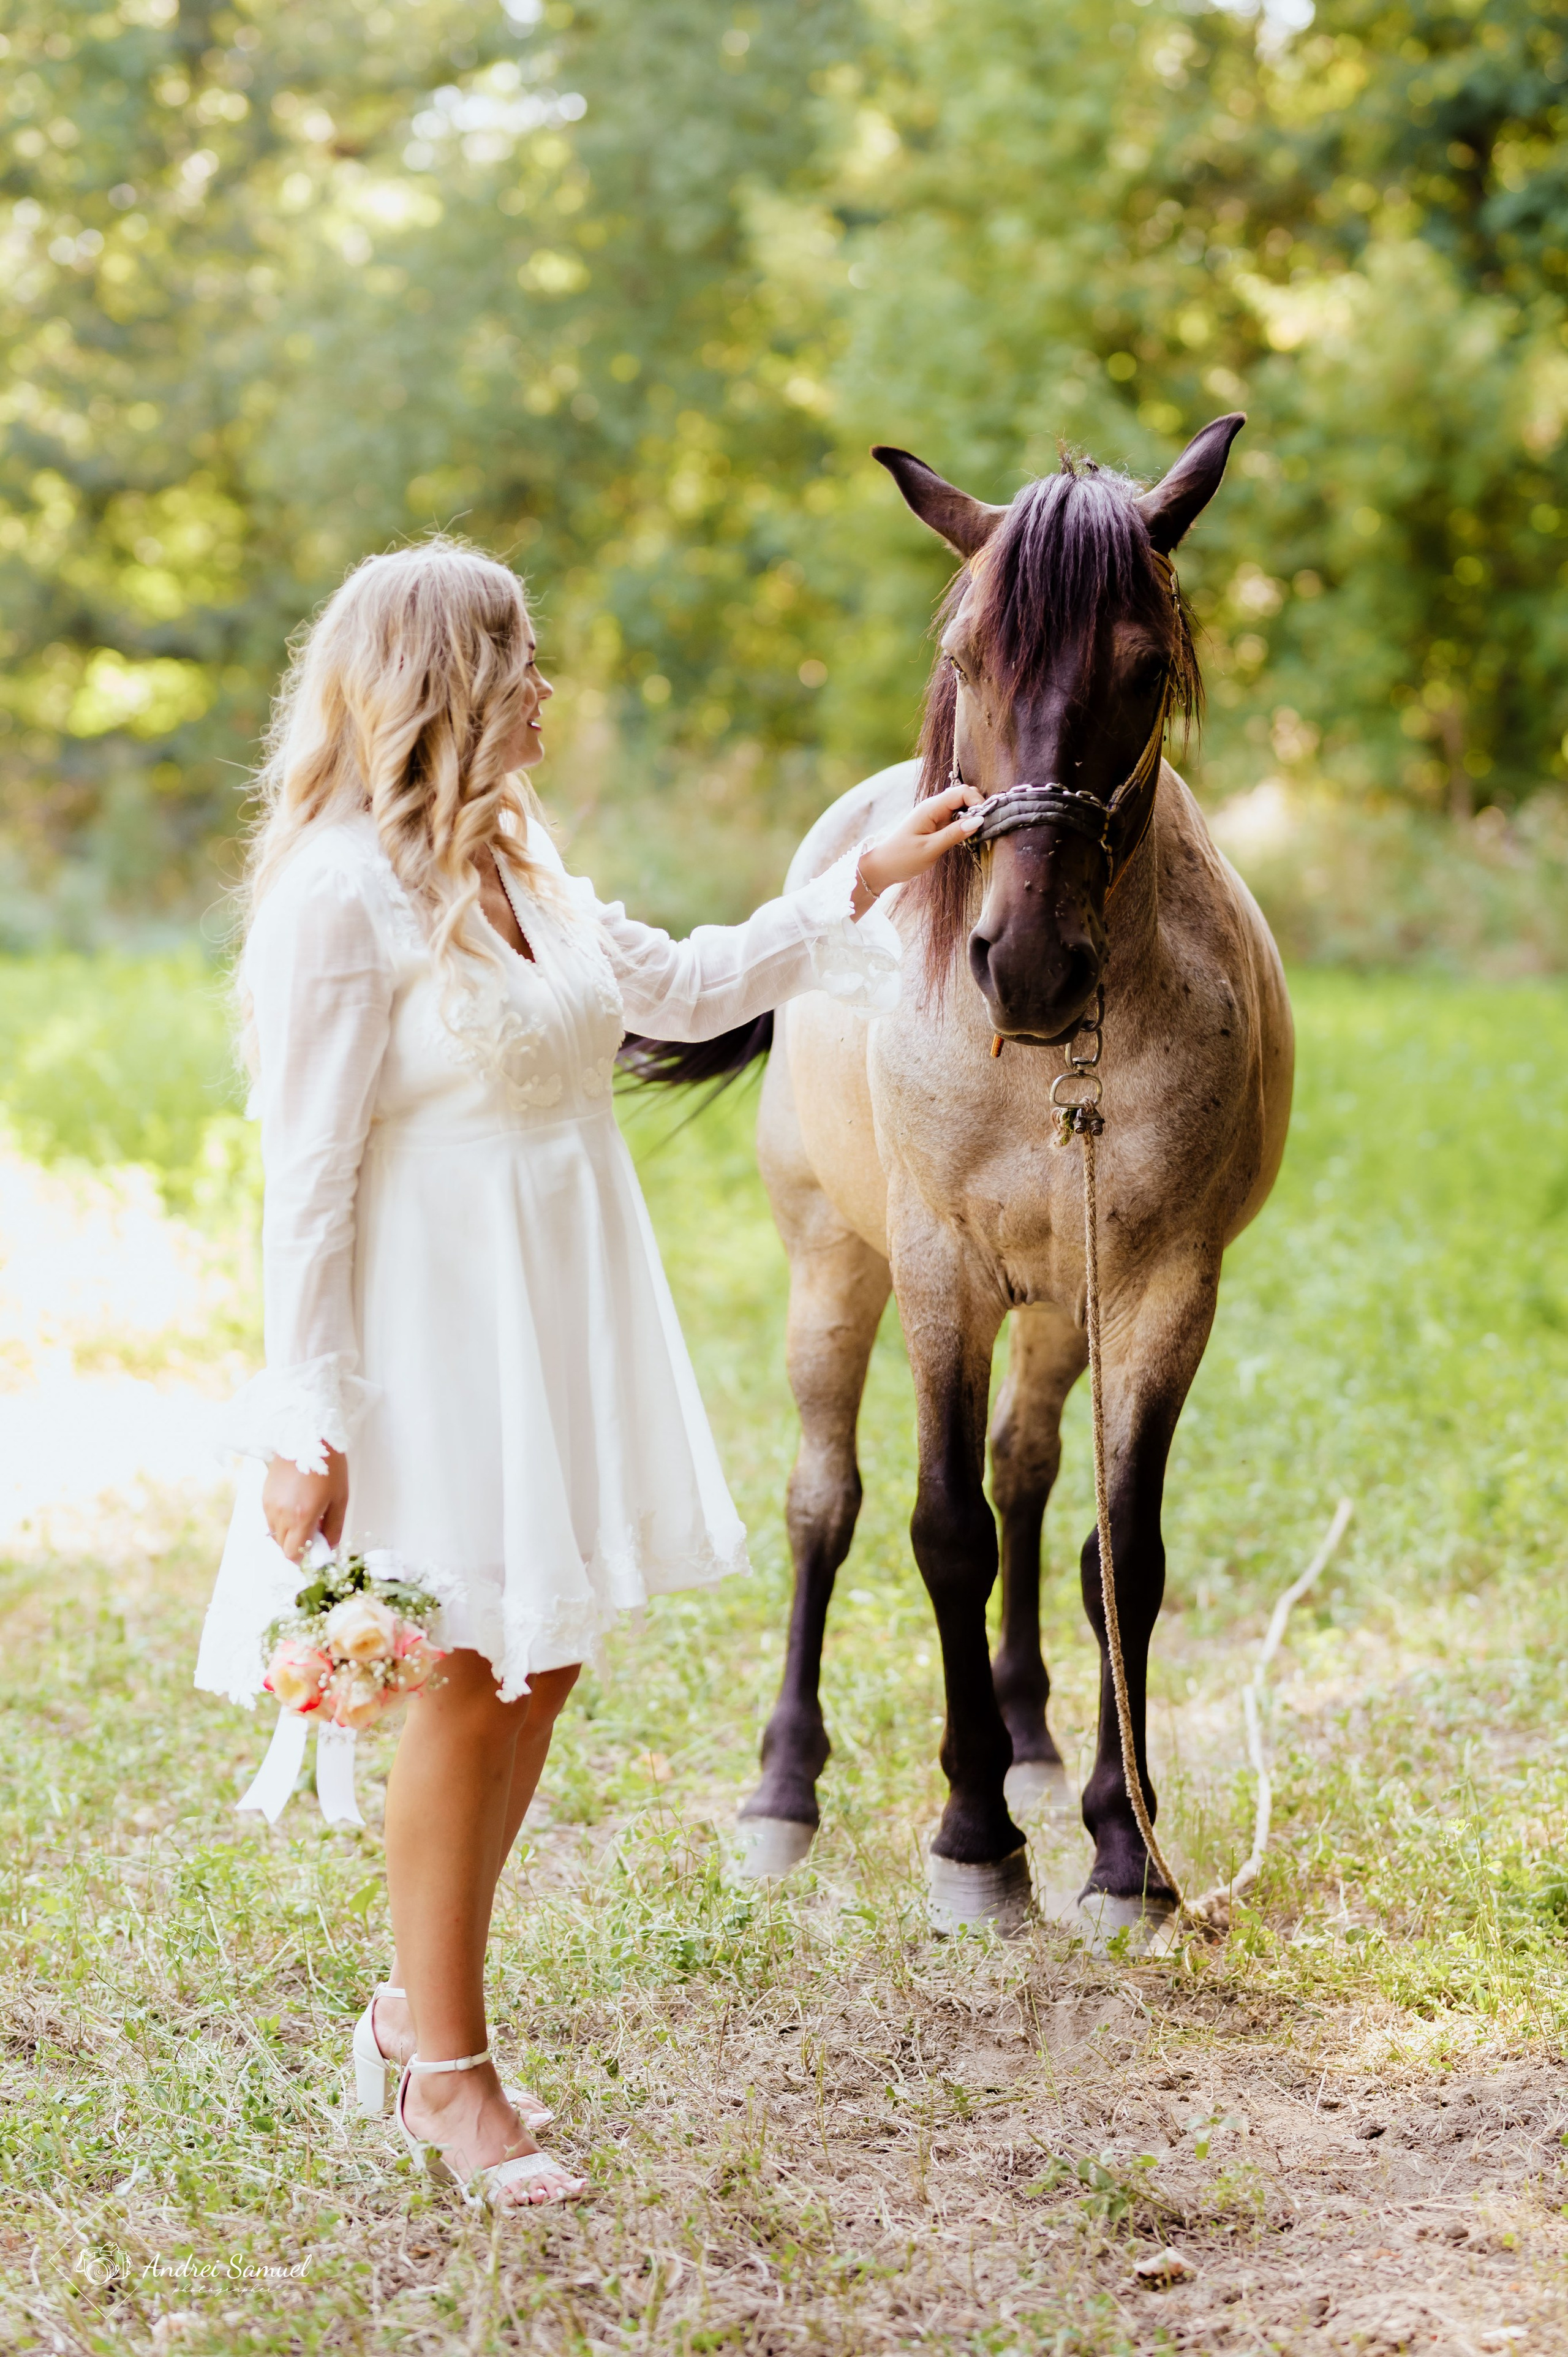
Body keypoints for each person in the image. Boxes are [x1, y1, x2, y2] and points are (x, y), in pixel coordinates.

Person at [195, 536, 980, 2208]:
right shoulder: (339, 897)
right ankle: (451, 2079)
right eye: (523, 661)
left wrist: (865, 882)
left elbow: (682, 989)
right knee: (464, 1683)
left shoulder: (518, 859)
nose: (546, 688)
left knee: (539, 1670)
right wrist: (302, 1414)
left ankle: (416, 2021)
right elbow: (307, 1177)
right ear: (449, 683)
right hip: (428, 1335)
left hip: (555, 1311)